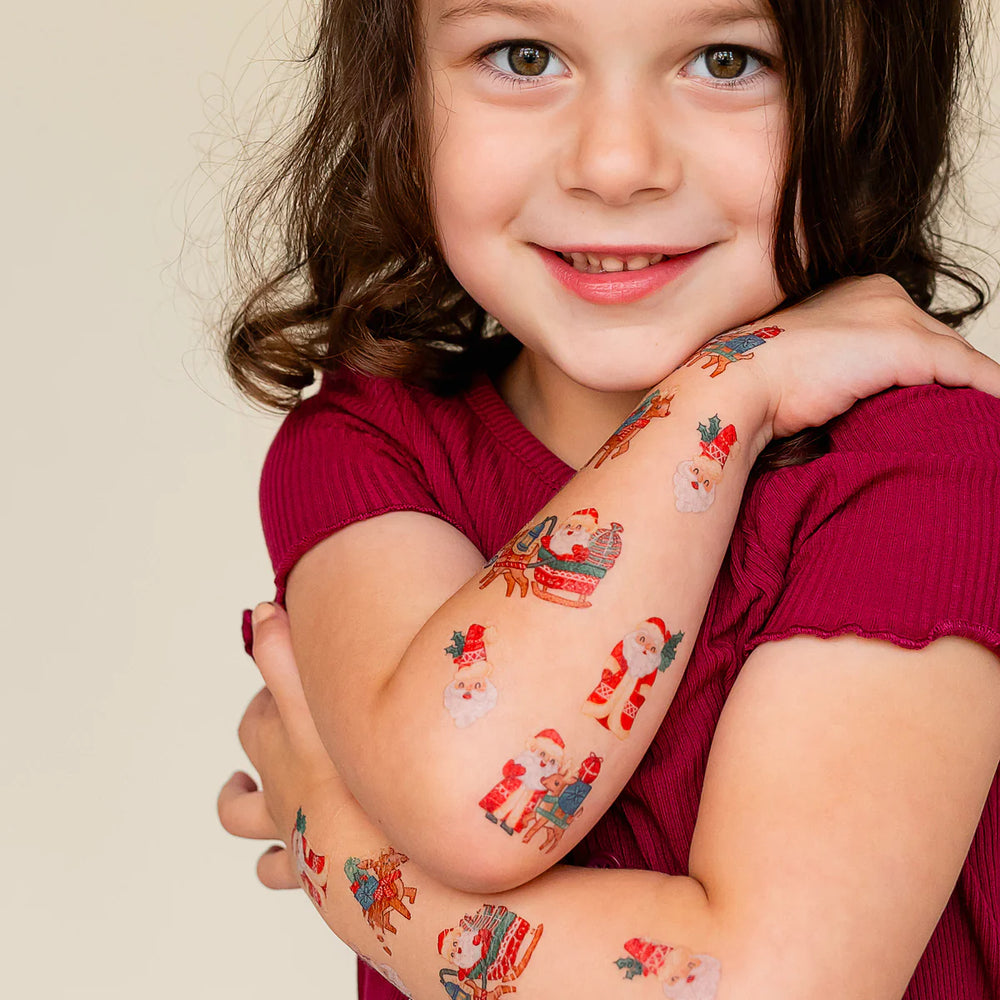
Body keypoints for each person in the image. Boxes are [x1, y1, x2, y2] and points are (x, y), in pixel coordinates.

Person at [216, 0, 1000, 997]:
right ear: (399, 93)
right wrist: (730, 390)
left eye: (726, 60)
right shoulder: (370, 446)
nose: (617, 164)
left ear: (869, 97)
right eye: (524, 54)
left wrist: (332, 835)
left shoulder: (925, 464)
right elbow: (472, 793)